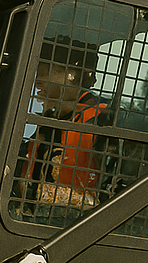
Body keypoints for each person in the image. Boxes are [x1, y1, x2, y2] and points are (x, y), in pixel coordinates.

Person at [13, 40, 107, 226]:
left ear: (71, 73)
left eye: (45, 71)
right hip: (29, 223)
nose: (36, 80)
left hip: (75, 228)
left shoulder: (101, 120)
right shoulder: (46, 125)